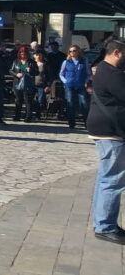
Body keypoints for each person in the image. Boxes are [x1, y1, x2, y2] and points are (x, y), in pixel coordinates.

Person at [86, 39, 125, 245]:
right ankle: (105, 226)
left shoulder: (102, 69)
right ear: (117, 53)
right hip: (111, 131)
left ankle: (104, 222)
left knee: (106, 179)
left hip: (105, 129)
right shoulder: (112, 73)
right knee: (113, 180)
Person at [61, 44, 91, 129]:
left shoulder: (84, 61)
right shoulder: (66, 62)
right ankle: (71, 122)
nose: (72, 52)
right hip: (69, 85)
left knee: (84, 103)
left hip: (80, 85)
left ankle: (87, 122)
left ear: (78, 51)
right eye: (70, 51)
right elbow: (61, 74)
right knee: (70, 102)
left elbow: (88, 73)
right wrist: (65, 81)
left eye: (74, 51)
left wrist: (86, 81)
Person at [10, 46, 40, 122]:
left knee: (28, 100)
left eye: (24, 54)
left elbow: (37, 72)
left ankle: (28, 116)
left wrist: (31, 70)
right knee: (18, 100)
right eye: (21, 53)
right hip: (17, 83)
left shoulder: (32, 62)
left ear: (27, 54)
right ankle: (17, 116)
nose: (23, 55)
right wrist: (16, 74)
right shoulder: (16, 61)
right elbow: (11, 70)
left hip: (28, 83)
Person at [32, 51, 51, 121]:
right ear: (34, 56)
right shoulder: (32, 64)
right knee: (32, 100)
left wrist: (48, 85)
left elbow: (49, 76)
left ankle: (38, 115)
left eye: (40, 55)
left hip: (41, 85)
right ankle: (30, 114)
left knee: (40, 100)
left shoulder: (45, 65)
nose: (38, 56)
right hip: (32, 84)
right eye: (37, 55)